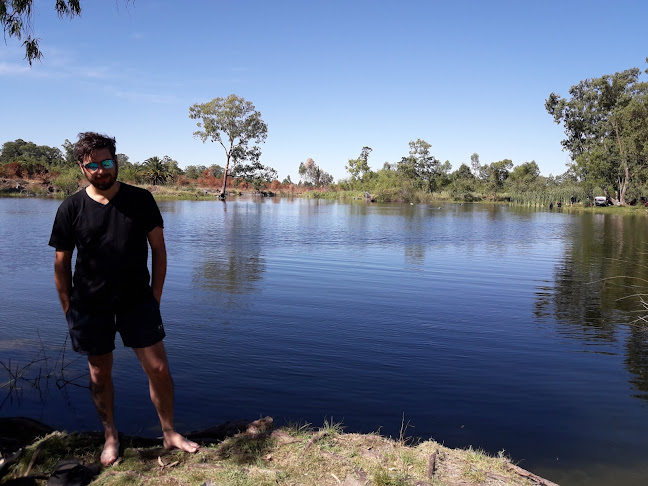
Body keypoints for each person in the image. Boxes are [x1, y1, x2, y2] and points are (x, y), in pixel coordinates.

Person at [49, 132, 198, 466]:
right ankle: (111, 437)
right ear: (82, 167)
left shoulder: (141, 199)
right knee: (100, 374)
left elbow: (159, 250)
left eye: (106, 162)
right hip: (89, 305)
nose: (101, 170)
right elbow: (61, 263)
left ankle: (170, 432)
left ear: (116, 161)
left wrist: (155, 297)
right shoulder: (71, 208)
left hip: (137, 302)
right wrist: (68, 309)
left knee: (158, 368)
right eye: (93, 165)